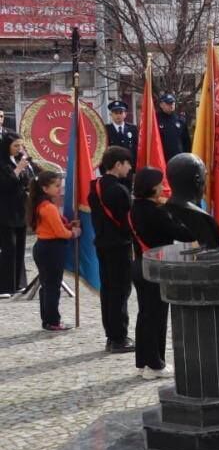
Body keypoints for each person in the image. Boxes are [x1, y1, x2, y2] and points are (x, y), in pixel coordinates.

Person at [128, 167, 185, 377]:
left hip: (139, 264)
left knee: (145, 314)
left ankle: (143, 362)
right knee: (156, 316)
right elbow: (181, 233)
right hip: (155, 267)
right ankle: (155, 364)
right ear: (152, 187)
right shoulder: (156, 212)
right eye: (160, 183)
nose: (163, 187)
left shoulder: (136, 207)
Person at [87, 147, 137, 354]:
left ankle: (111, 334)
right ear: (117, 164)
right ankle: (119, 337)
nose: (130, 167)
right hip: (119, 245)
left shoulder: (95, 186)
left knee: (107, 290)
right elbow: (128, 222)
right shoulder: (118, 190)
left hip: (102, 243)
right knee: (120, 291)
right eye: (127, 163)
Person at [28, 170, 76, 331]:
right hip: (51, 249)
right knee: (52, 287)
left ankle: (47, 319)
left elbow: (53, 226)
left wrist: (68, 225)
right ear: (45, 188)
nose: (59, 189)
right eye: (56, 186)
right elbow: (60, 232)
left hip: (44, 247)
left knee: (47, 285)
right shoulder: (48, 207)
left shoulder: (42, 204)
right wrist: (73, 233)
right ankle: (53, 321)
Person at [0, 137, 33, 295]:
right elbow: (5, 184)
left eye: (20, 145)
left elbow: (26, 181)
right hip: (5, 211)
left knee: (20, 246)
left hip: (20, 210)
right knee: (9, 248)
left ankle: (18, 283)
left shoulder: (19, 160)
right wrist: (18, 169)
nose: (19, 148)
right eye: (15, 145)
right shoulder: (3, 163)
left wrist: (26, 168)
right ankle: (5, 286)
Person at [155, 93, 190, 164]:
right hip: (161, 159)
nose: (171, 105)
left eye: (173, 103)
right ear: (161, 105)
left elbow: (186, 142)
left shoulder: (180, 120)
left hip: (178, 159)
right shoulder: (155, 119)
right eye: (168, 103)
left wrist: (187, 157)